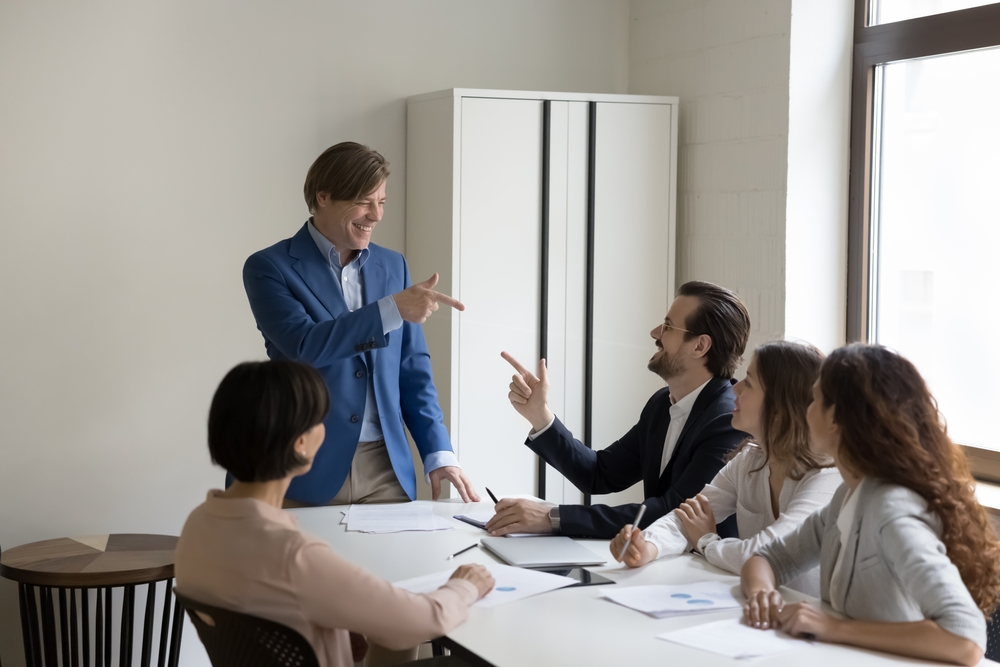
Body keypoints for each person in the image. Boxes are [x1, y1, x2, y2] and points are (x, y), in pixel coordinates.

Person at [175, 360, 494, 667]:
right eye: (321, 421)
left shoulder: (197, 525)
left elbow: (260, 608)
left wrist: (337, 629)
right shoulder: (295, 555)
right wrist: (466, 585)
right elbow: (421, 621)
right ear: (301, 443)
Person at [243, 142, 479, 506]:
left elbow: (413, 370)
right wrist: (390, 309)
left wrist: (438, 454)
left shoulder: (393, 266)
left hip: (387, 470)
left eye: (381, 202)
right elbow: (304, 346)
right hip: (303, 469)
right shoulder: (269, 267)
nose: (376, 215)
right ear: (323, 197)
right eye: (364, 202)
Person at [741, 344, 1000, 666]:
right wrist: (761, 594)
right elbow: (767, 558)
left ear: (834, 418)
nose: (805, 410)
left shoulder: (892, 512)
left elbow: (966, 638)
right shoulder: (849, 496)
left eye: (815, 400)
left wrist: (836, 628)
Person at [487, 281, 751, 539]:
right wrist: (539, 415)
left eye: (668, 325)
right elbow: (600, 474)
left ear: (700, 346)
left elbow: (676, 512)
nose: (655, 332)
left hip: (706, 572)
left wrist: (552, 518)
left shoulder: (728, 421)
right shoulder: (661, 404)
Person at [609, 341, 841, 596]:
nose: (736, 389)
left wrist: (707, 541)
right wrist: (646, 546)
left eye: (749, 383)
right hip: (760, 610)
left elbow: (764, 554)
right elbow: (685, 518)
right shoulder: (750, 459)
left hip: (808, 622)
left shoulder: (826, 477)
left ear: (779, 407)